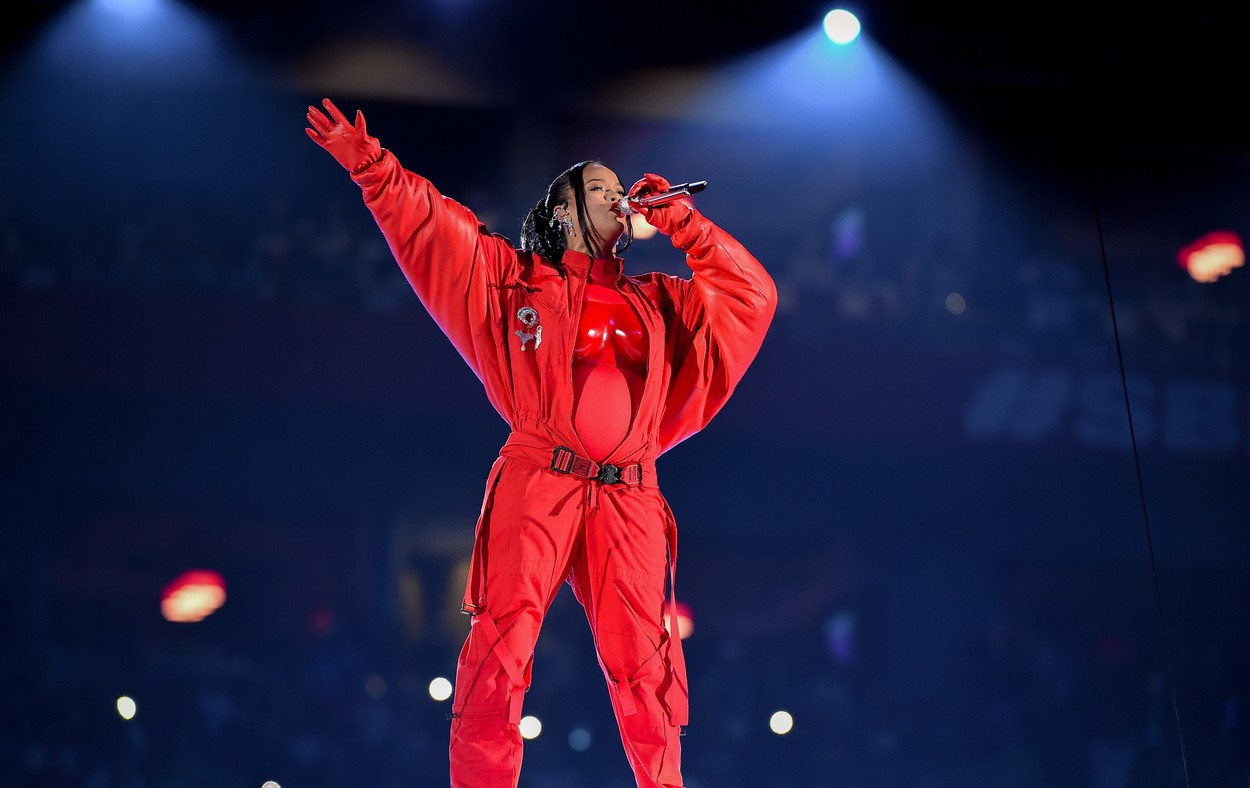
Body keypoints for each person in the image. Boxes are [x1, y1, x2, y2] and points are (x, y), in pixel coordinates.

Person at [305, 97, 777, 788]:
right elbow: (433, 228)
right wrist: (373, 167)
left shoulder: (662, 302)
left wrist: (686, 224)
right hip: (540, 475)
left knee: (647, 667)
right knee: (501, 648)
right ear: (562, 211)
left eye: (619, 187)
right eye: (599, 187)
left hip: (630, 494)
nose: (617, 195)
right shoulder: (514, 282)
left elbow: (751, 297)